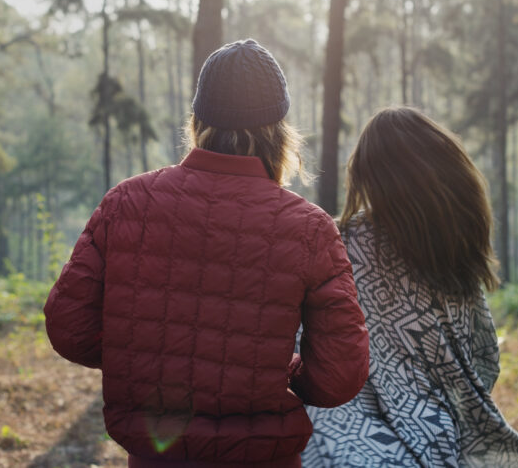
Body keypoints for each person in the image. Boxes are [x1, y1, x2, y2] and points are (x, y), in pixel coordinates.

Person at [44, 38, 369, 467]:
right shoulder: (308, 229)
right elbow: (339, 375)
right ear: (280, 132)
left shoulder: (127, 202)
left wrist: (147, 357)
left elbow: (69, 327)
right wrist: (286, 372)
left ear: (197, 120)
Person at [303, 107, 518, 468]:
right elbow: (485, 361)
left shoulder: (339, 243)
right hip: (439, 426)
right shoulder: (452, 254)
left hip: (336, 432)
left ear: (369, 174)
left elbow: (307, 346)